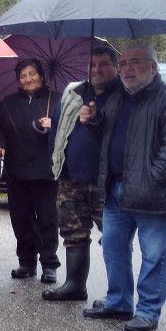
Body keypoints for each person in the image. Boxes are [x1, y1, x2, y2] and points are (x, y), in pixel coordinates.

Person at [83, 45, 166, 331]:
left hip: (153, 193)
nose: (127, 69)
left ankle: (147, 311)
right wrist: (93, 120)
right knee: (113, 247)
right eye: (123, 64)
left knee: (154, 254)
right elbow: (106, 140)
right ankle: (119, 301)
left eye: (135, 63)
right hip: (116, 189)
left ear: (153, 67)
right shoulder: (116, 100)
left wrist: (154, 177)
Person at [43, 45, 121, 302]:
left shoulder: (123, 94)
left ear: (115, 66)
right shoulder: (73, 93)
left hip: (105, 181)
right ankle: (75, 286)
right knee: (72, 233)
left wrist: (97, 118)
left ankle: (118, 295)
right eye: (92, 65)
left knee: (113, 237)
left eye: (103, 64)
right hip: (71, 178)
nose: (97, 69)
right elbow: (57, 129)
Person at [0, 58, 62, 283]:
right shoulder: (8, 103)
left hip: (46, 172)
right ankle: (26, 262)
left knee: (47, 219)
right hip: (16, 171)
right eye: (23, 76)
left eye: (32, 74)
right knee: (20, 219)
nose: (28, 79)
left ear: (41, 75)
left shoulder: (57, 100)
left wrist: (55, 125)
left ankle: (49, 264)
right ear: (18, 80)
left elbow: (71, 130)